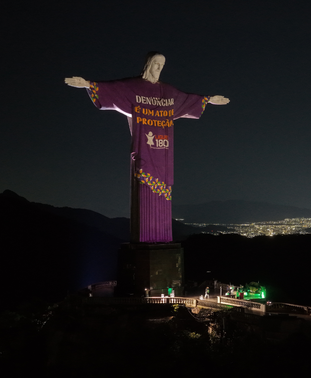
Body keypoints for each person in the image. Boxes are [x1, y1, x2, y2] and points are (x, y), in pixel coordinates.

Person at [64, 52, 229, 243]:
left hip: (164, 154)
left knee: (163, 192)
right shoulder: (134, 87)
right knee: (143, 189)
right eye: (156, 63)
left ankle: (162, 240)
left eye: (162, 65)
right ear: (148, 65)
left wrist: (207, 100)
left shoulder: (168, 92)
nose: (159, 68)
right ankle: (145, 240)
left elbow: (186, 99)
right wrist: (88, 84)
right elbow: (114, 89)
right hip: (144, 150)